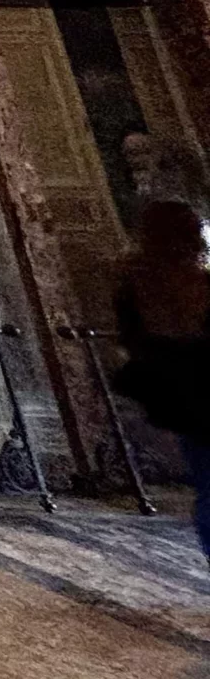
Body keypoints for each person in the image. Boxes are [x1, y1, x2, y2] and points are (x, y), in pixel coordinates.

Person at [114, 199, 210, 561]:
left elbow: (136, 344)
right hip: (194, 394)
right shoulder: (188, 285)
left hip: (182, 398)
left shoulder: (134, 286)